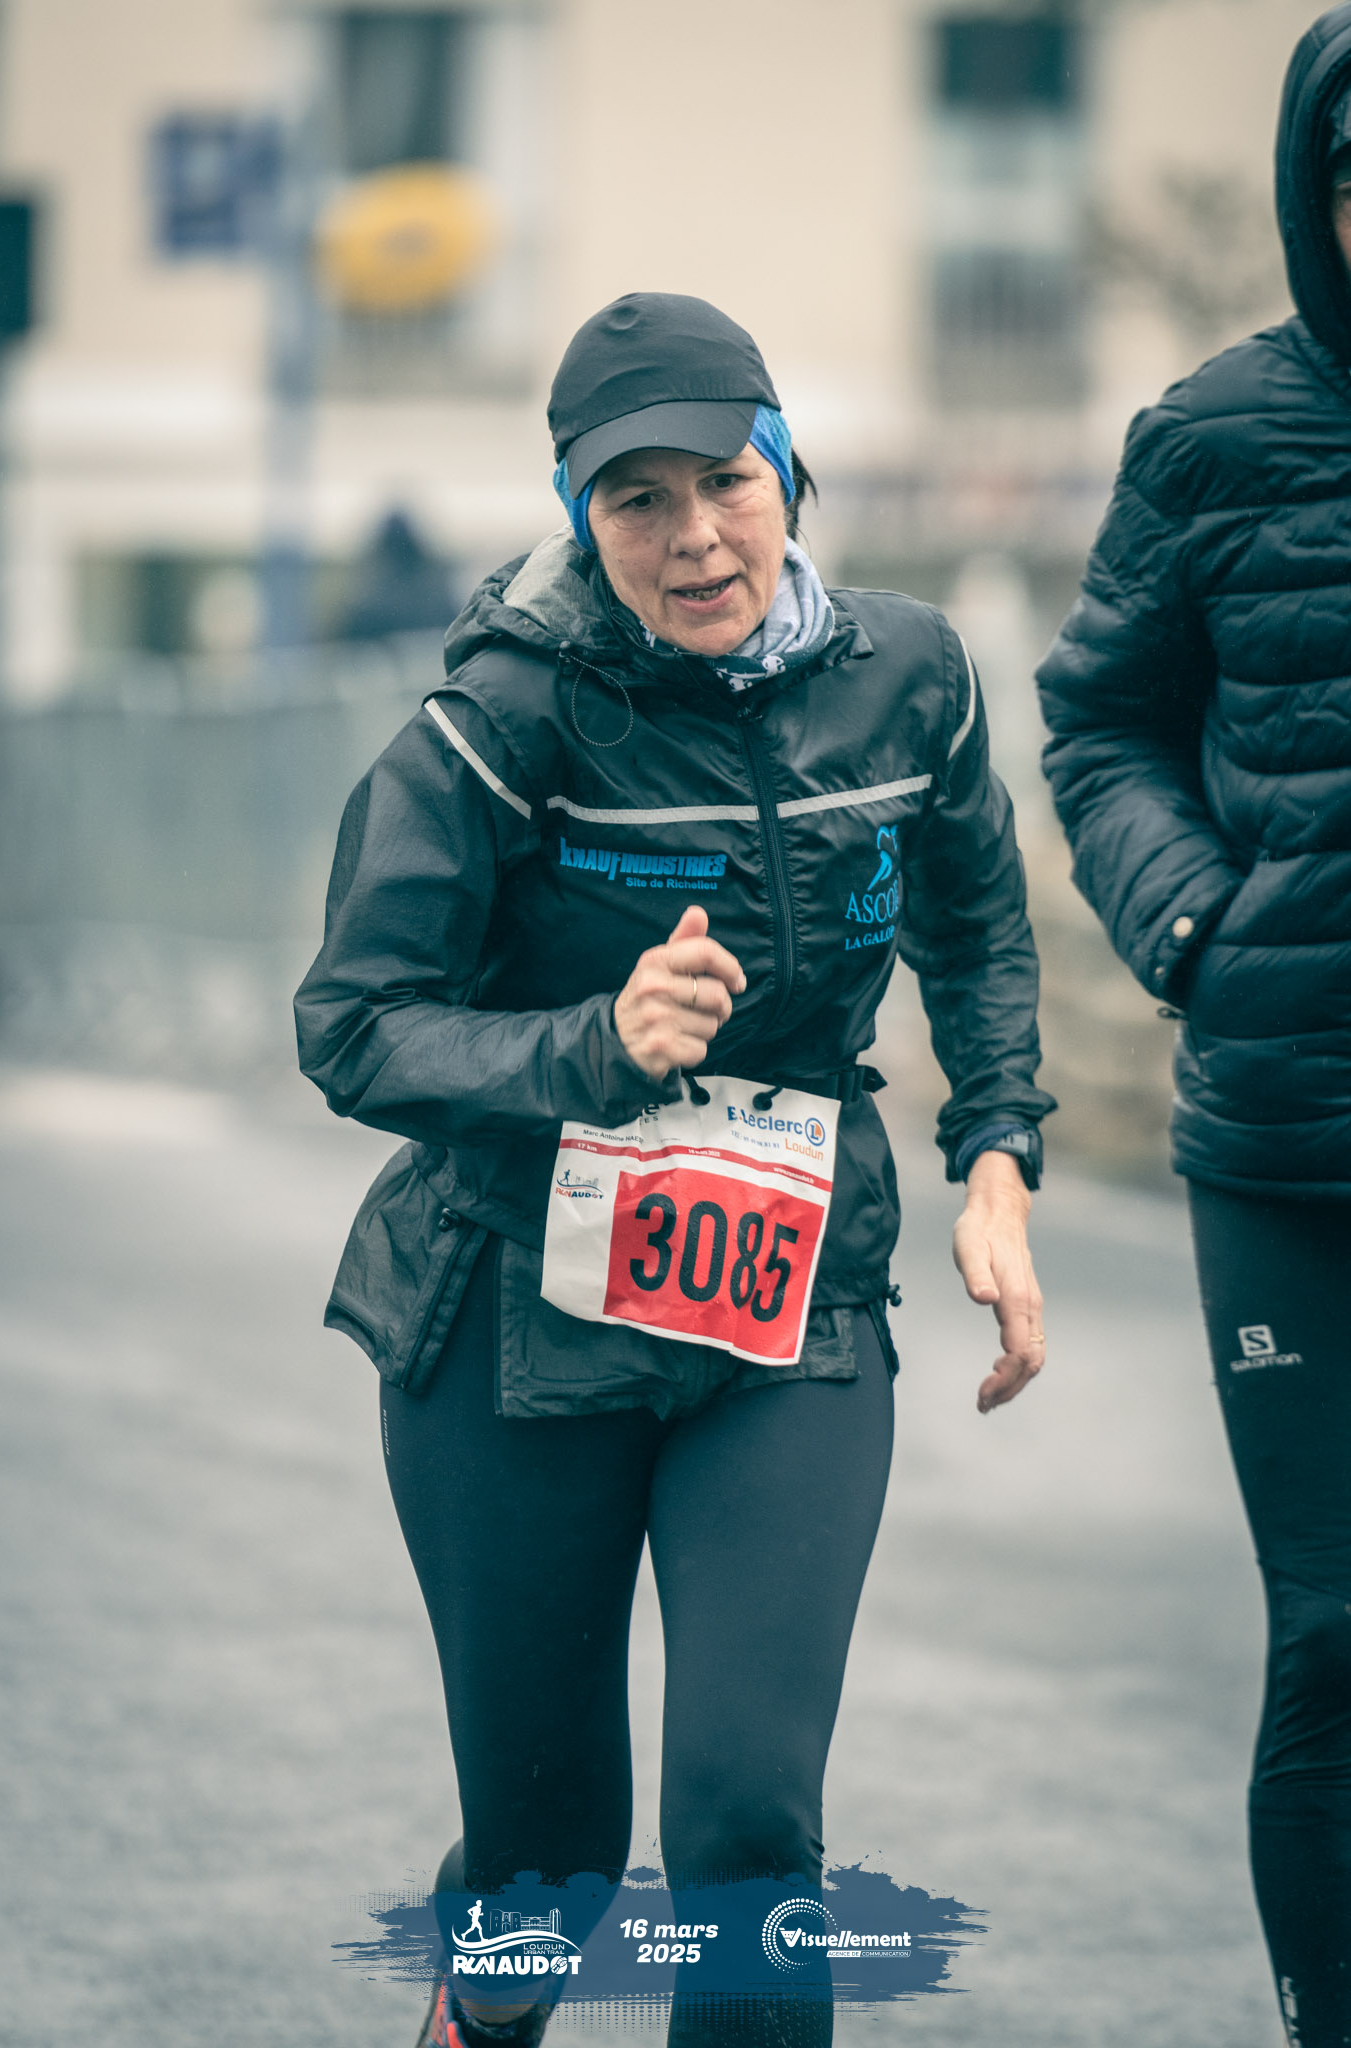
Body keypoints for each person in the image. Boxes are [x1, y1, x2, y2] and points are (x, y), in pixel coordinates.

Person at [296, 291, 1054, 2048]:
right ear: (581, 521)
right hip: (511, 1319)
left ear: (786, 470)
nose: (693, 535)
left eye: (724, 480)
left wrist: (996, 1154)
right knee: (548, 1860)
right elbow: (353, 1024)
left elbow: (976, 926)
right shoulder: (501, 716)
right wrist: (594, 1042)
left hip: (786, 1310)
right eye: (634, 501)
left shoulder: (911, 676)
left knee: (744, 1830)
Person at [1036, 12, 1351, 2044]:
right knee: (1332, 1637)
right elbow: (1095, 716)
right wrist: (1187, 921)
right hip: (1285, 1144)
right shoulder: (1211, 437)